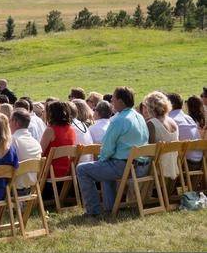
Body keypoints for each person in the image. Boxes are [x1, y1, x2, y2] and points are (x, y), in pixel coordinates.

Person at [76, 87, 149, 218]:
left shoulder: (118, 120)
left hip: (125, 166)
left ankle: (93, 210)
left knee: (82, 169)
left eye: (113, 99)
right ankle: (110, 208)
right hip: (142, 165)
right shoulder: (140, 117)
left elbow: (107, 148)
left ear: (120, 101)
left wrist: (102, 160)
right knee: (105, 166)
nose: (111, 102)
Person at [144, 91, 179, 184]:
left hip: (158, 169)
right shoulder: (173, 122)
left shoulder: (152, 123)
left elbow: (149, 151)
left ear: (150, 108)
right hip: (173, 165)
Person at [39, 101, 76, 187]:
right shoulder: (71, 130)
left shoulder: (50, 130)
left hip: (50, 173)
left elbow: (40, 153)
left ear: (51, 114)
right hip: (67, 172)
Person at [9, 109, 42, 191]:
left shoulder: (12, 141)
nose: (8, 124)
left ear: (16, 123)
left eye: (10, 120)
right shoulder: (36, 143)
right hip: (31, 187)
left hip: (14, 188)